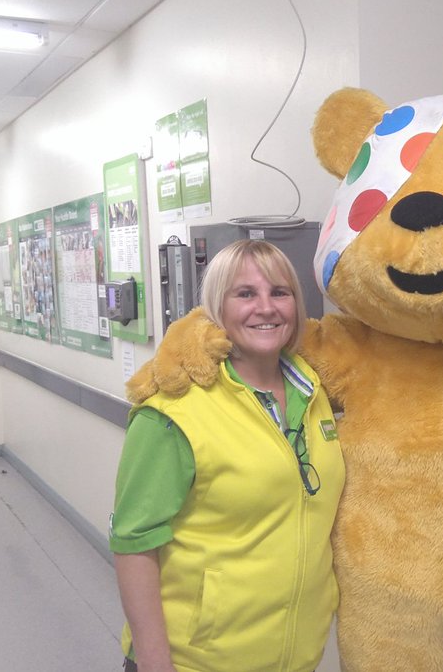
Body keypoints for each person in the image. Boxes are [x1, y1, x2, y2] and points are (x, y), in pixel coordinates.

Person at [110, 239, 345, 672]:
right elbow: (133, 544)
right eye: (245, 294)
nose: (266, 307)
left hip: (296, 655)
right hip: (198, 660)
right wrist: (153, 660)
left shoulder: (313, 390)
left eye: (280, 292)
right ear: (217, 307)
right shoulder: (174, 410)